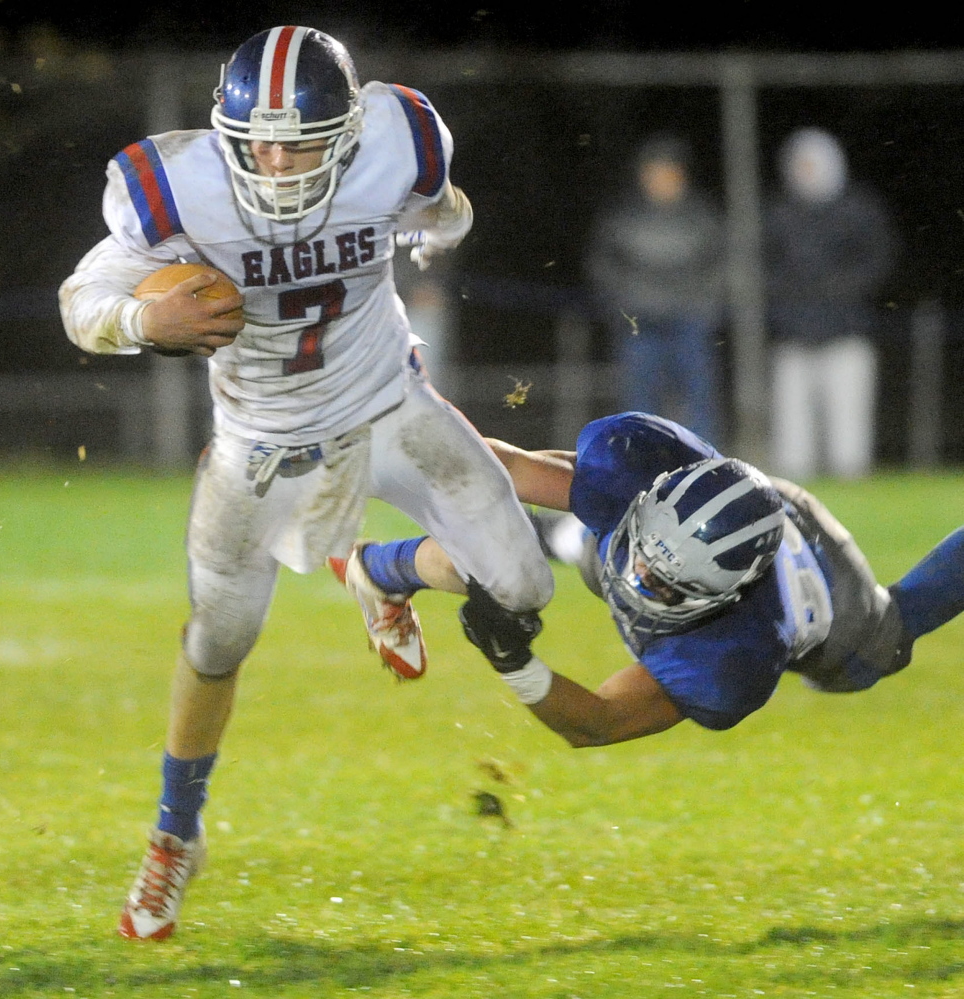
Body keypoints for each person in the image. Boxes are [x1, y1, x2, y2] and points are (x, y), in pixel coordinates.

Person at [58, 25, 553, 940]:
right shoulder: (173, 186)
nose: (279, 164)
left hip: (387, 407)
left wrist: (436, 233)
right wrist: (144, 315)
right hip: (260, 441)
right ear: (226, 135)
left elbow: (442, 210)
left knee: (525, 588)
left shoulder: (401, 139)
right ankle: (177, 831)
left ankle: (382, 571)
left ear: (351, 132)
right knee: (218, 640)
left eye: (302, 142)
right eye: (260, 144)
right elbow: (79, 303)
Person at [332, 411, 964, 747]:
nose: (637, 584)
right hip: (713, 511)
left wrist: (511, 658)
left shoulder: (732, 655)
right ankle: (378, 569)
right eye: (640, 561)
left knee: (880, 648)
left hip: (824, 592)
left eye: (665, 587)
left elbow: (598, 723)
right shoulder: (632, 477)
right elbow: (497, 469)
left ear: (723, 598)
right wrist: (392, 435)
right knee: (512, 546)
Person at [764, 127, 898, 479]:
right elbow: (766, 267)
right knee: (792, 422)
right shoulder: (780, 214)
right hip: (793, 332)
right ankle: (793, 486)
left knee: (848, 418)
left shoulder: (859, 209)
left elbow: (877, 260)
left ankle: (851, 478)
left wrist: (839, 289)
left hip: (846, 330)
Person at [584, 135, 726, 444]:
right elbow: (603, 267)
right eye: (654, 173)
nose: (661, 181)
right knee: (638, 407)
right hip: (641, 324)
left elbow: (720, 266)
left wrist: (703, 305)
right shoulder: (624, 216)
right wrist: (625, 305)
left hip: (689, 321)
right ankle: (639, 465)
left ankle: (706, 469)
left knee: (699, 401)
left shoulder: (701, 216)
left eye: (668, 173)